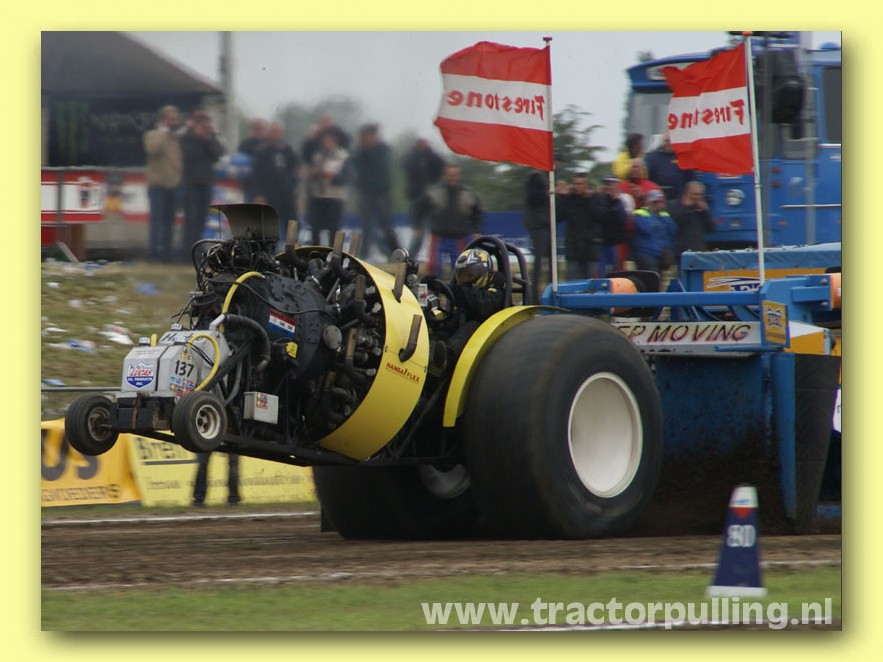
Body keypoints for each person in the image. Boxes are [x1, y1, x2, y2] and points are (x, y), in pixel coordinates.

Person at [435, 247, 506, 368]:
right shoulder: (463, 293)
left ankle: (447, 360)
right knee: (440, 328)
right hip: (461, 335)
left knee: (472, 326)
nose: (465, 280)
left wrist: (454, 290)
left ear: (484, 274)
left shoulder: (496, 293)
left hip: (488, 339)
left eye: (470, 275)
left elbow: (482, 305)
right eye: (461, 275)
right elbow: (452, 322)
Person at [419, 163, 483, 276]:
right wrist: (418, 226)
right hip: (438, 236)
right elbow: (420, 208)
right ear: (445, 175)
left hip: (459, 237)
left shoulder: (468, 193)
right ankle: (433, 286)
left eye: (455, 175)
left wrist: (476, 230)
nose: (453, 178)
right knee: (434, 266)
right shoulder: (434, 192)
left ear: (459, 175)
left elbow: (477, 212)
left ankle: (456, 287)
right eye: (450, 175)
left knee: (461, 268)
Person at [180, 109, 224, 257]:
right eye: (202, 126)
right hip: (190, 184)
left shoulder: (209, 140)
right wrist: (201, 138)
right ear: (195, 125)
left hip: (206, 183)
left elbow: (218, 154)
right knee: (190, 220)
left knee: (201, 220)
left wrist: (211, 137)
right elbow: (189, 156)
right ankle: (186, 252)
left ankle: (197, 250)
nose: (204, 129)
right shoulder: (187, 139)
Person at [351, 124, 397, 259]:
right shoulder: (359, 152)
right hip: (365, 193)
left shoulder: (382, 150)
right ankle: (364, 255)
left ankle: (395, 252)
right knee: (366, 226)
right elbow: (355, 165)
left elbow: (381, 166)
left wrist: (368, 150)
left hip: (381, 193)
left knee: (385, 225)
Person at [143, 105, 183, 262]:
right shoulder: (152, 135)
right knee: (156, 222)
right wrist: (163, 132)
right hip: (157, 186)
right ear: (163, 120)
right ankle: (153, 254)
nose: (174, 122)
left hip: (174, 185)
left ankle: (167, 254)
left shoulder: (177, 138)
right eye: (171, 119)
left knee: (169, 223)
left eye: (175, 119)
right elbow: (152, 149)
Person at [251, 121, 300, 243]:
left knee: (291, 227)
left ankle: (291, 251)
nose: (275, 135)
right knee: (269, 230)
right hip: (269, 196)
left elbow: (295, 171)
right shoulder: (262, 152)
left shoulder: (289, 152)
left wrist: (294, 186)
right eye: (273, 131)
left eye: (277, 131)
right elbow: (256, 176)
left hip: (287, 196)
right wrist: (258, 194)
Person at [402, 137, 445, 257]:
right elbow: (405, 166)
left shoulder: (433, 157)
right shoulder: (411, 157)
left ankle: (435, 256)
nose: (422, 145)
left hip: (432, 198)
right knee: (418, 230)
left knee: (436, 229)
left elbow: (441, 166)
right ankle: (411, 256)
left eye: (424, 142)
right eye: (420, 143)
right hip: (416, 197)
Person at [307, 129, 350, 246]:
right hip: (318, 195)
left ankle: (333, 252)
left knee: (334, 229)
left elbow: (348, 177)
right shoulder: (317, 156)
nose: (327, 143)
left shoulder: (343, 157)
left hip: (335, 196)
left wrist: (334, 176)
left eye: (329, 140)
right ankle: (316, 251)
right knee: (315, 227)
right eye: (325, 141)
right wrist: (314, 173)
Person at [559, 173, 602, 280]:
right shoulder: (569, 200)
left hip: (590, 248)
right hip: (573, 249)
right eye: (575, 184)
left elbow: (599, 216)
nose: (578, 187)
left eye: (581, 184)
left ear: (587, 185)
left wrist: (588, 199)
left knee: (591, 284)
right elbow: (558, 216)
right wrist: (562, 197)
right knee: (572, 283)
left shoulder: (594, 198)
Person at [631, 189, 678, 273]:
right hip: (646, 254)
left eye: (661, 202)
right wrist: (653, 215)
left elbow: (673, 230)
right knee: (651, 277)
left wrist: (659, 216)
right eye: (655, 202)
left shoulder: (664, 215)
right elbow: (646, 229)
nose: (658, 205)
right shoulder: (640, 213)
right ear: (648, 202)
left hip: (662, 255)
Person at [668, 181, 715, 263]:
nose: (698, 197)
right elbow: (674, 225)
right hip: (681, 251)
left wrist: (705, 211)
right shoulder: (673, 205)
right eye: (695, 194)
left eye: (701, 195)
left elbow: (710, 228)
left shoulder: (700, 209)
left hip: (699, 250)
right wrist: (686, 207)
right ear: (687, 193)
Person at [593, 176, 630, 276]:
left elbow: (623, 218)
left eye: (611, 184)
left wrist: (615, 201)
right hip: (601, 241)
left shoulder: (621, 200)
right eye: (606, 184)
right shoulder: (598, 199)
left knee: (616, 270)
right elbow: (599, 216)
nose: (608, 187)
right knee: (601, 271)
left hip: (615, 242)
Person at [644, 133, 694, 201]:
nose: (668, 143)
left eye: (670, 141)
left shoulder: (683, 157)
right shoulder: (652, 157)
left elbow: (691, 179)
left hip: (679, 199)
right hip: (657, 198)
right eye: (666, 141)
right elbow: (645, 177)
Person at [236, 118, 268, 202]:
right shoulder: (245, 144)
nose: (258, 131)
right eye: (256, 129)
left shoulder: (269, 144)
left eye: (260, 129)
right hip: (249, 185)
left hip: (268, 185)